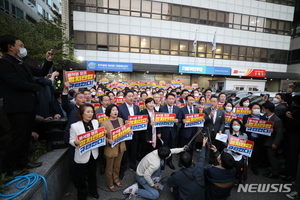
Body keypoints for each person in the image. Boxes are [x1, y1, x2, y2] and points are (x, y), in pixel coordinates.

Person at [0, 35, 54, 176]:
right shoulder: (5, 63)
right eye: (21, 45)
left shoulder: (21, 62)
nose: (23, 48)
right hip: (17, 107)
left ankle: (23, 162)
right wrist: (35, 86)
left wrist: (47, 61)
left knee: (25, 136)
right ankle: (9, 168)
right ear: (11, 47)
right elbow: (16, 83)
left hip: (28, 106)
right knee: (17, 137)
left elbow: (41, 72)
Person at [69, 103, 99, 200]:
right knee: (81, 177)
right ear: (82, 113)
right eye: (88, 112)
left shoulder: (95, 122)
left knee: (92, 175)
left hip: (93, 153)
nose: (90, 114)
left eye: (92, 112)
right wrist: (75, 142)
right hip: (81, 155)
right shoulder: (75, 126)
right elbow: (71, 140)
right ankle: (82, 195)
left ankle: (93, 191)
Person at [62, 81, 86, 187]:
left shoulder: (87, 110)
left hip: (84, 139)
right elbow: (64, 103)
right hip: (73, 139)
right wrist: (65, 89)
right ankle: (75, 180)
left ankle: (83, 177)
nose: (83, 99)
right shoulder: (71, 108)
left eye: (84, 97)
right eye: (80, 97)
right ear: (75, 100)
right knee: (73, 160)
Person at [101, 104, 127, 192]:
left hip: (121, 147)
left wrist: (129, 132)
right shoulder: (104, 123)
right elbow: (101, 137)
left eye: (116, 110)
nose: (115, 112)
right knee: (109, 168)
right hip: (110, 149)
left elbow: (124, 131)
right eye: (113, 110)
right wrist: (108, 140)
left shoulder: (120, 120)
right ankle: (110, 183)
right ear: (109, 112)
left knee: (117, 166)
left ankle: (116, 180)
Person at [118, 90, 140, 178]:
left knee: (134, 150)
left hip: (135, 133)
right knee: (125, 151)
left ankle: (133, 165)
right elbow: (118, 119)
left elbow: (138, 119)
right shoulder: (120, 107)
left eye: (133, 96)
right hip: (125, 134)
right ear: (125, 98)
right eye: (129, 96)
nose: (132, 98)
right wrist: (124, 121)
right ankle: (122, 168)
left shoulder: (136, 107)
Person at [158, 93, 181, 170]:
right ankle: (162, 162)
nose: (171, 100)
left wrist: (177, 121)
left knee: (171, 148)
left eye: (172, 99)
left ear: (175, 99)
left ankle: (170, 162)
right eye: (169, 99)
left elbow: (180, 120)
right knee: (164, 148)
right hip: (164, 131)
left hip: (173, 132)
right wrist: (159, 132)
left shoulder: (177, 109)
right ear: (166, 99)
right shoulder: (162, 108)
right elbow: (158, 122)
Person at [242, 102, 267, 175]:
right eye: (255, 108)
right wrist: (244, 126)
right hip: (249, 138)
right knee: (247, 153)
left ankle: (254, 167)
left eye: (258, 108)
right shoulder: (246, 117)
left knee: (257, 153)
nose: (256, 109)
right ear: (251, 109)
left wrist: (269, 129)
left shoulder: (263, 118)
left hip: (258, 139)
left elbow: (267, 128)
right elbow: (242, 128)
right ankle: (245, 166)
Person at [261, 101, 283, 179]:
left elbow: (279, 133)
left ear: (267, 109)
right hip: (265, 141)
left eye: (263, 108)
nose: (262, 109)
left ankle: (275, 173)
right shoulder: (264, 116)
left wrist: (275, 143)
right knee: (268, 157)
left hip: (271, 142)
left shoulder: (276, 120)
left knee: (272, 158)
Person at [178, 94, 199, 166]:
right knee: (183, 147)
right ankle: (182, 160)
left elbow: (198, 119)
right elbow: (179, 120)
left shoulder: (196, 109)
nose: (191, 101)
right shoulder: (182, 109)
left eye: (192, 100)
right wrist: (182, 121)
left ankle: (190, 160)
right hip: (184, 131)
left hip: (193, 132)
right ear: (186, 101)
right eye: (190, 100)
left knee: (192, 147)